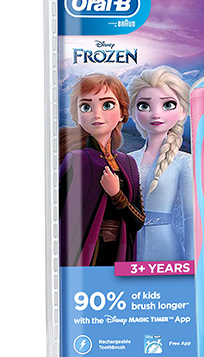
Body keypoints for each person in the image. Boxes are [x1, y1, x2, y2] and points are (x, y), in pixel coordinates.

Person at [59, 74, 145, 267]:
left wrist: (116, 195)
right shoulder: (76, 159)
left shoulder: (128, 163)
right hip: (85, 256)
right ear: (77, 116)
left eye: (107, 105)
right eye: (86, 107)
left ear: (122, 113)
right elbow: (59, 214)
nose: (96, 114)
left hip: (121, 252)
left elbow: (138, 221)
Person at [127, 66, 194, 261]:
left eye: (168, 105)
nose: (156, 114)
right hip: (129, 247)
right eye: (144, 106)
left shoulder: (185, 163)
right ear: (133, 114)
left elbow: (191, 218)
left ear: (182, 112)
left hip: (166, 250)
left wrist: (192, 264)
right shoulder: (127, 160)